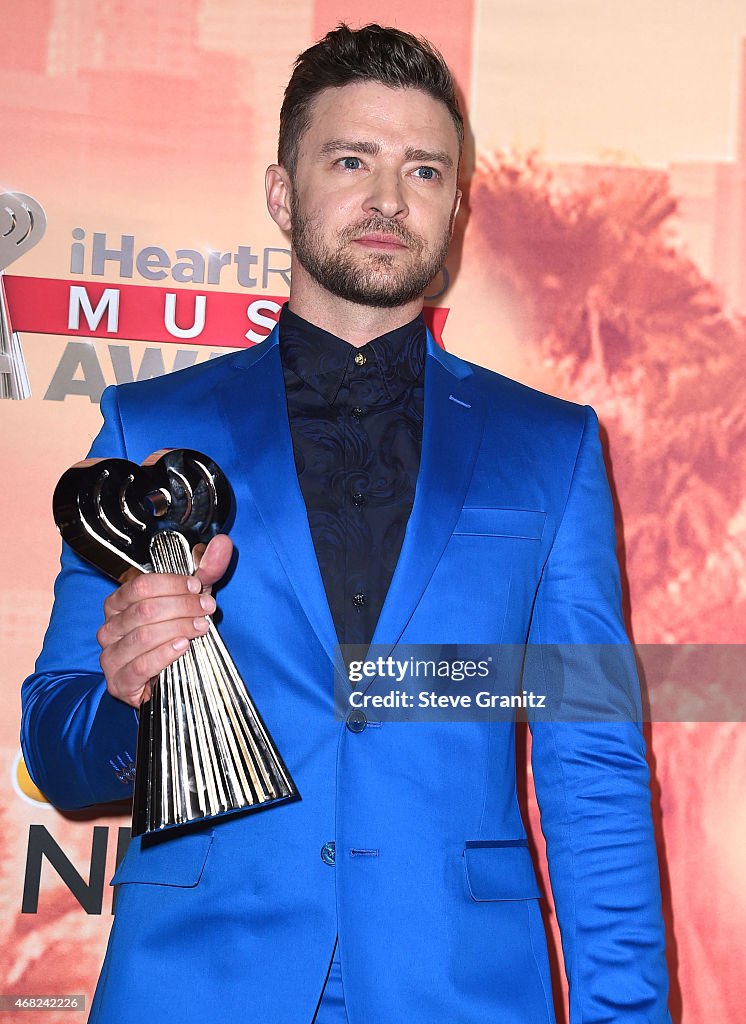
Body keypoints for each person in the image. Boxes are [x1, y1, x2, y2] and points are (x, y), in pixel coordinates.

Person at [21, 23, 671, 1024]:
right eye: (350, 159)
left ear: (454, 207)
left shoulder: (551, 448)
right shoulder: (148, 429)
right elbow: (59, 749)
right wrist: (127, 697)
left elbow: (592, 765)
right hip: (196, 986)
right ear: (282, 192)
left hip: (457, 988)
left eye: (421, 169)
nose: (387, 196)